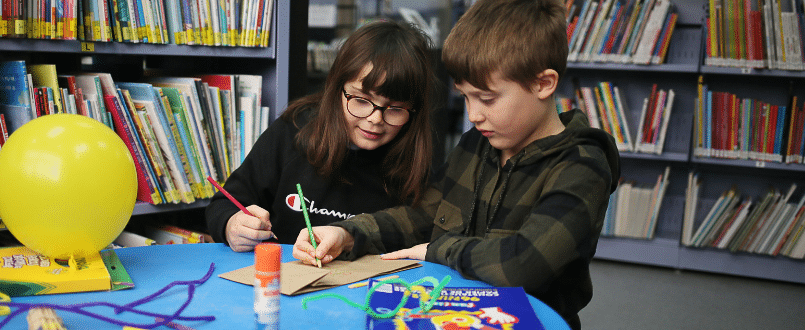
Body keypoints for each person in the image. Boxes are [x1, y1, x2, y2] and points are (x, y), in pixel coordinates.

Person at [292, 0, 620, 328]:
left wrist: (441, 249)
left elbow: (524, 263)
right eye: (466, 97)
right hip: (456, 314)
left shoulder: (582, 167)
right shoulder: (477, 144)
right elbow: (425, 213)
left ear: (543, 84)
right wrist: (348, 234)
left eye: (487, 99)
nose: (474, 115)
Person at [204, 20, 439, 252]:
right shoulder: (293, 130)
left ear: (414, 111)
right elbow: (223, 204)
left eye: (395, 109)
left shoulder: (416, 158)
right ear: (337, 89)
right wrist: (231, 225)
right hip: (281, 277)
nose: (375, 119)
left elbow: (424, 236)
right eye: (360, 100)